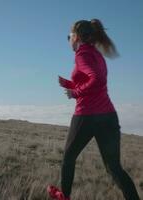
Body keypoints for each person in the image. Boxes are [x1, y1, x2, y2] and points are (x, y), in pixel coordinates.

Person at [47, 19, 141, 200]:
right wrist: (69, 84)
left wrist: (75, 92)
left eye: (69, 36)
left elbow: (97, 80)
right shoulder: (96, 54)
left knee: (68, 158)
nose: (68, 40)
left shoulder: (82, 54)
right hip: (108, 117)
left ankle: (63, 197)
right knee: (114, 168)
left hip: (88, 115)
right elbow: (92, 80)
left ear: (76, 37)